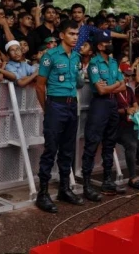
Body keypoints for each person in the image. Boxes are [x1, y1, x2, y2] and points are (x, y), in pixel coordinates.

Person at [35, 19, 85, 213]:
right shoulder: (50, 56)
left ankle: (65, 188)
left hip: (72, 105)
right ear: (62, 35)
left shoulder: (76, 57)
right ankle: (43, 194)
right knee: (50, 150)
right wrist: (47, 109)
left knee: (67, 150)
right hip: (55, 104)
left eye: (77, 35)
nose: (75, 38)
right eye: (71, 34)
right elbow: (40, 86)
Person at [82, 31, 126, 201]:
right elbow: (101, 90)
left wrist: (111, 86)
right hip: (99, 104)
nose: (110, 44)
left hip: (112, 104)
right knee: (92, 143)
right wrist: (115, 85)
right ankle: (87, 184)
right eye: (107, 42)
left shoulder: (114, 62)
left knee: (109, 143)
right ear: (100, 46)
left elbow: (124, 87)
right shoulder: (94, 63)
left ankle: (107, 180)